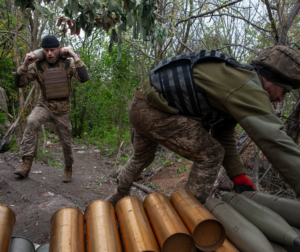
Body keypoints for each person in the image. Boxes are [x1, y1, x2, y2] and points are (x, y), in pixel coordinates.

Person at [106, 46, 300, 205]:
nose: (281, 98)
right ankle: (186, 219)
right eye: (284, 90)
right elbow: (275, 141)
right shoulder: (248, 87)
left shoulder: (234, 77)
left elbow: (223, 133)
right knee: (211, 155)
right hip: (155, 113)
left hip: (139, 104)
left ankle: (117, 195)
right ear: (271, 78)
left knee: (141, 157)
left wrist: (238, 176)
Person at [14, 35, 89, 182]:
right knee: (31, 121)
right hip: (45, 105)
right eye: (46, 50)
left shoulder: (68, 64)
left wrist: (74, 56)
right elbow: (21, 84)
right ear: (42, 50)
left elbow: (84, 78)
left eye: (53, 50)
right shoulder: (38, 65)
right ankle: (26, 164)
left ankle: (68, 168)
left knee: (66, 142)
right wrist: (24, 65)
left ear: (58, 49)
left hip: (63, 108)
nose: (49, 53)